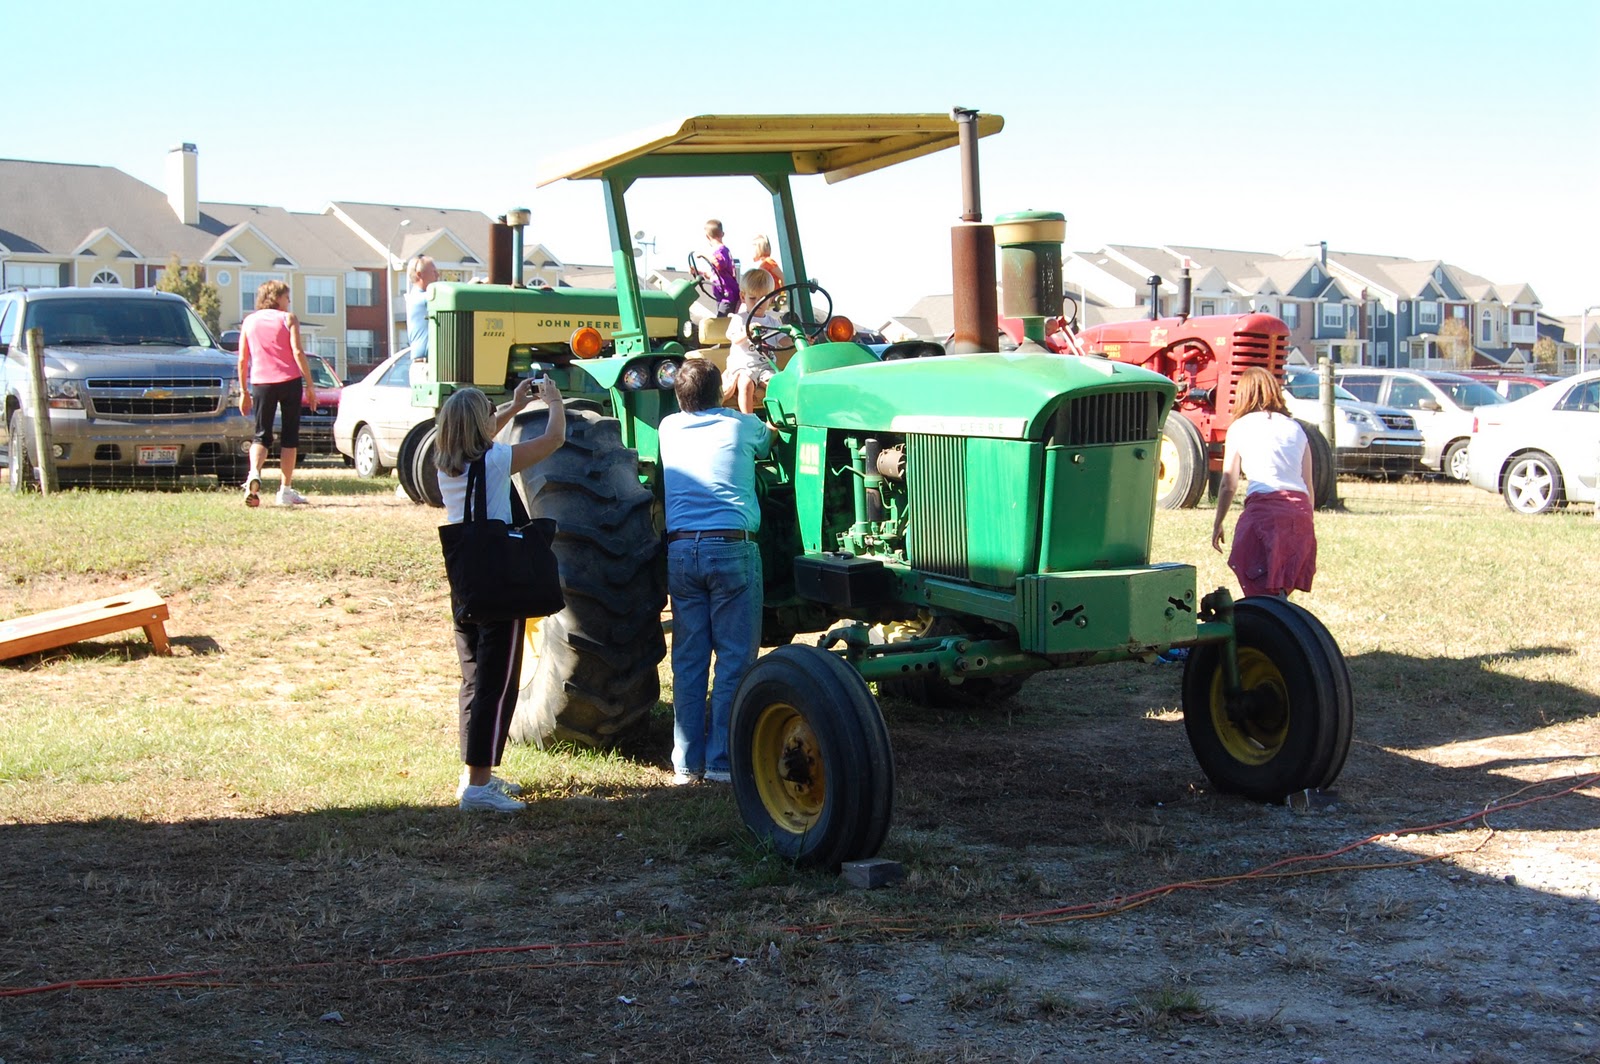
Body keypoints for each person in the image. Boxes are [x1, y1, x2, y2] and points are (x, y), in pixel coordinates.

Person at [435, 376, 566, 812]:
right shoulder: (494, 461)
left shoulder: (446, 465)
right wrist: (552, 401)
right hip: (501, 584)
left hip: (467, 583)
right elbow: (554, 439)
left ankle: (475, 772)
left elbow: (481, 434)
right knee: (499, 683)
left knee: (475, 680)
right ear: (479, 425)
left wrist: (510, 406)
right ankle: (478, 786)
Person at [659, 359, 776, 784]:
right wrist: (746, 395)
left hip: (681, 553)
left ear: (679, 396)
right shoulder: (742, 427)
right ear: (720, 391)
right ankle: (723, 762)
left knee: (689, 660)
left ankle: (687, 765)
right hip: (730, 549)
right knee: (733, 659)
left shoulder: (667, 428)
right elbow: (771, 438)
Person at [1211, 367, 1318, 598]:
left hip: (1264, 509)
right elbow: (1308, 486)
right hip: (1299, 511)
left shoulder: (1240, 427)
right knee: (1279, 584)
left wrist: (1218, 522)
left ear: (1243, 395)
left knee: (1252, 569)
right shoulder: (1297, 428)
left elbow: (1229, 483)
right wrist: (1307, 523)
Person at [237, 280, 318, 507]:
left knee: (261, 434)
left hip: (261, 382)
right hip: (289, 380)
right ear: (276, 297)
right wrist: (310, 385)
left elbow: (243, 359)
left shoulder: (249, 321)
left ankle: (254, 472)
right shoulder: (288, 318)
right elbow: (298, 351)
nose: (288, 301)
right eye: (286, 297)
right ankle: (285, 489)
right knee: (290, 437)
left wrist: (244, 390)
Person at [724, 267, 787, 415]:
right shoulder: (739, 319)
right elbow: (735, 339)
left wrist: (799, 339)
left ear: (771, 298)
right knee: (746, 384)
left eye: (763, 299)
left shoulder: (773, 321)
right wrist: (748, 331)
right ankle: (749, 419)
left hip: (766, 366)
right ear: (742, 297)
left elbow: (783, 340)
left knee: (779, 384)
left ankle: (778, 419)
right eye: (753, 298)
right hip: (743, 366)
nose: (758, 303)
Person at [695, 220, 740, 316]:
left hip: (728, 296)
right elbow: (715, 275)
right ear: (722, 234)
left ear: (707, 237)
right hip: (721, 296)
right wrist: (699, 272)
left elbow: (719, 264)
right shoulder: (719, 253)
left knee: (721, 324)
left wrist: (704, 254)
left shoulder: (721, 250)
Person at [406, 255, 438, 359]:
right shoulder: (421, 298)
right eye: (433, 272)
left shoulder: (418, 296)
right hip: (423, 363)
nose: (438, 275)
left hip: (428, 361)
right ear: (420, 274)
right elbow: (449, 297)